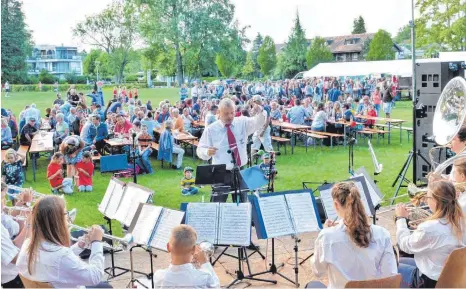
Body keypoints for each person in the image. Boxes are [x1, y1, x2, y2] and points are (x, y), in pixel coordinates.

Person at [309, 182, 397, 288]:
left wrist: (324, 235)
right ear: (360, 202)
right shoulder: (382, 234)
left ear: (336, 204)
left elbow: (318, 271)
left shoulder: (327, 237)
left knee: (312, 285)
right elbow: (389, 275)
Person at [16, 195, 109, 288]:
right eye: (65, 214)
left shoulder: (28, 244)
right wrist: (97, 242)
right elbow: (95, 277)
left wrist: (80, 246)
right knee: (106, 286)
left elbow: (56, 261)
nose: (67, 218)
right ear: (57, 221)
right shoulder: (61, 256)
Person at [396, 180, 466, 288]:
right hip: (451, 278)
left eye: (428, 198)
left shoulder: (429, 228)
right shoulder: (461, 220)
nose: (426, 201)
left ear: (435, 201)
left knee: (393, 266)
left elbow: (405, 245)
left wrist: (400, 218)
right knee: (401, 260)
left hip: (428, 282)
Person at [197, 98, 266, 202]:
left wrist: (260, 110)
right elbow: (200, 149)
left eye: (232, 113)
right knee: (217, 203)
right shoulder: (211, 129)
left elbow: (259, 122)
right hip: (220, 171)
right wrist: (207, 152)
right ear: (219, 112)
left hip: (240, 169)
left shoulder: (242, 122)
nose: (230, 116)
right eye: (226, 113)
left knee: (242, 203)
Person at [153, 225, 219, 288]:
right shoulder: (204, 277)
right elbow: (216, 286)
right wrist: (204, 262)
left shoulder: (158, 276)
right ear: (193, 249)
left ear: (168, 247)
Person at [1, 183, 31, 288]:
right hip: (12, 278)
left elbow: (13, 242)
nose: (4, 203)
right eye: (2, 198)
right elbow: (16, 259)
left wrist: (22, 205)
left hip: (15, 273)